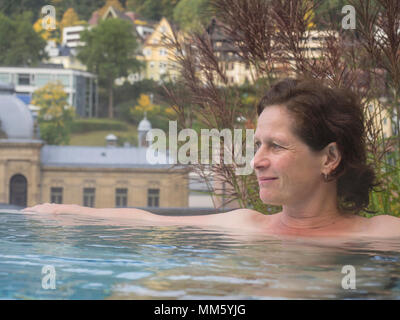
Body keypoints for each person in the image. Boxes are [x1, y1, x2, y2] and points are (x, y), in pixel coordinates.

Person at [23, 78, 400, 238]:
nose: (256, 161)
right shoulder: (246, 228)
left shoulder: (385, 237)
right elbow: (151, 222)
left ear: (329, 157)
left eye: (276, 146)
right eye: (256, 146)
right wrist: (69, 212)